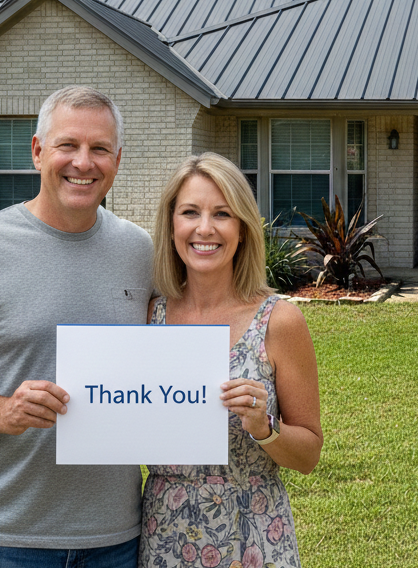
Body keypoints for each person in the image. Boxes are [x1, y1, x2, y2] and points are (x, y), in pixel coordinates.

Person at [0, 86, 154, 568]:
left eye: (99, 148)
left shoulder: (139, 251)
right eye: (68, 145)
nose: (84, 162)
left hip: (115, 538)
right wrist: (3, 412)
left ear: (117, 160)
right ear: (38, 151)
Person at [139, 153, 322, 568]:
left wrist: (265, 427)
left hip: (251, 533)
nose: (205, 228)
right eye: (190, 212)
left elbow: (309, 454)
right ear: (171, 227)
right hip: (163, 533)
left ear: (242, 229)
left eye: (222, 214)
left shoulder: (279, 320)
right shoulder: (150, 318)